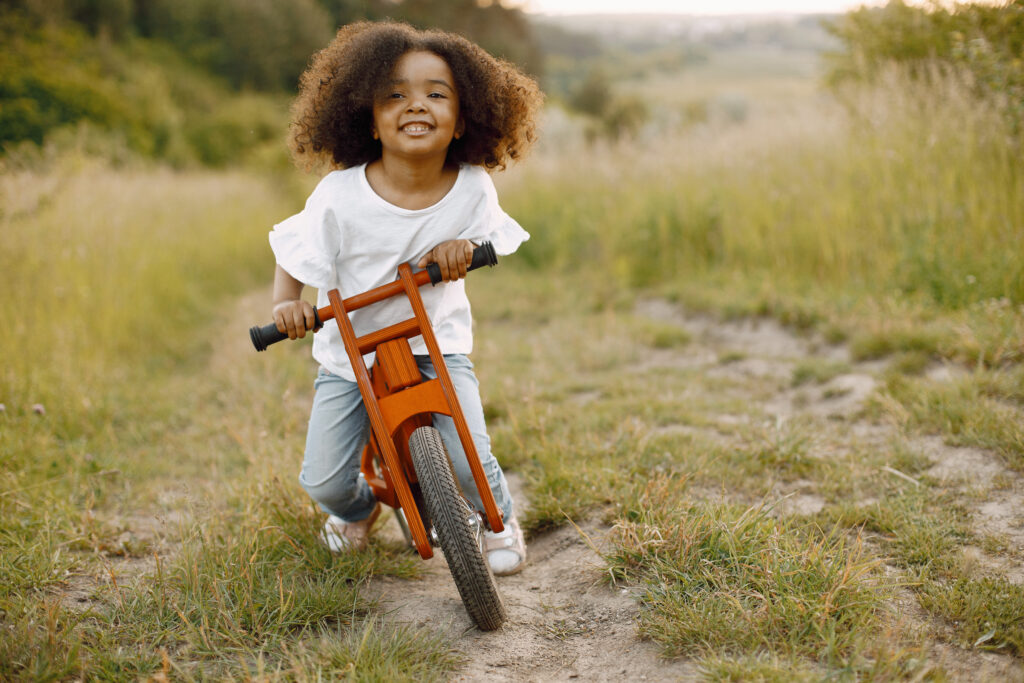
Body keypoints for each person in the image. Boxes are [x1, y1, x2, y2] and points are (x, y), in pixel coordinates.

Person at [267, 21, 543, 576]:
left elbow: (486, 239)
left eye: (436, 94)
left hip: (436, 344)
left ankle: (498, 520)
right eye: (394, 95)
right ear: (368, 119)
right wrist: (286, 305)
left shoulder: (471, 186)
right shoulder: (339, 195)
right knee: (323, 480)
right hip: (350, 355)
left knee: (467, 453)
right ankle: (357, 510)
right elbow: (296, 248)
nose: (416, 105)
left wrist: (463, 248)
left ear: (463, 118)